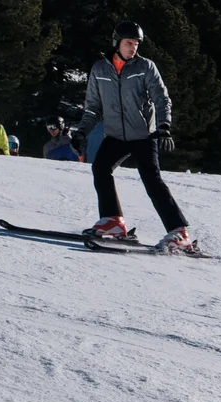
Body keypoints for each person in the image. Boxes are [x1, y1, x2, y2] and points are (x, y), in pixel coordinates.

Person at [77, 20, 194, 253]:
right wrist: (81, 132)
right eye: (129, 43)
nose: (133, 48)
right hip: (116, 136)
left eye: (136, 44)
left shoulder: (145, 67)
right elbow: (92, 107)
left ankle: (179, 232)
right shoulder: (100, 69)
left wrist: (164, 127)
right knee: (100, 168)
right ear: (117, 43)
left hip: (143, 134)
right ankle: (113, 220)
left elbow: (162, 98)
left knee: (152, 179)